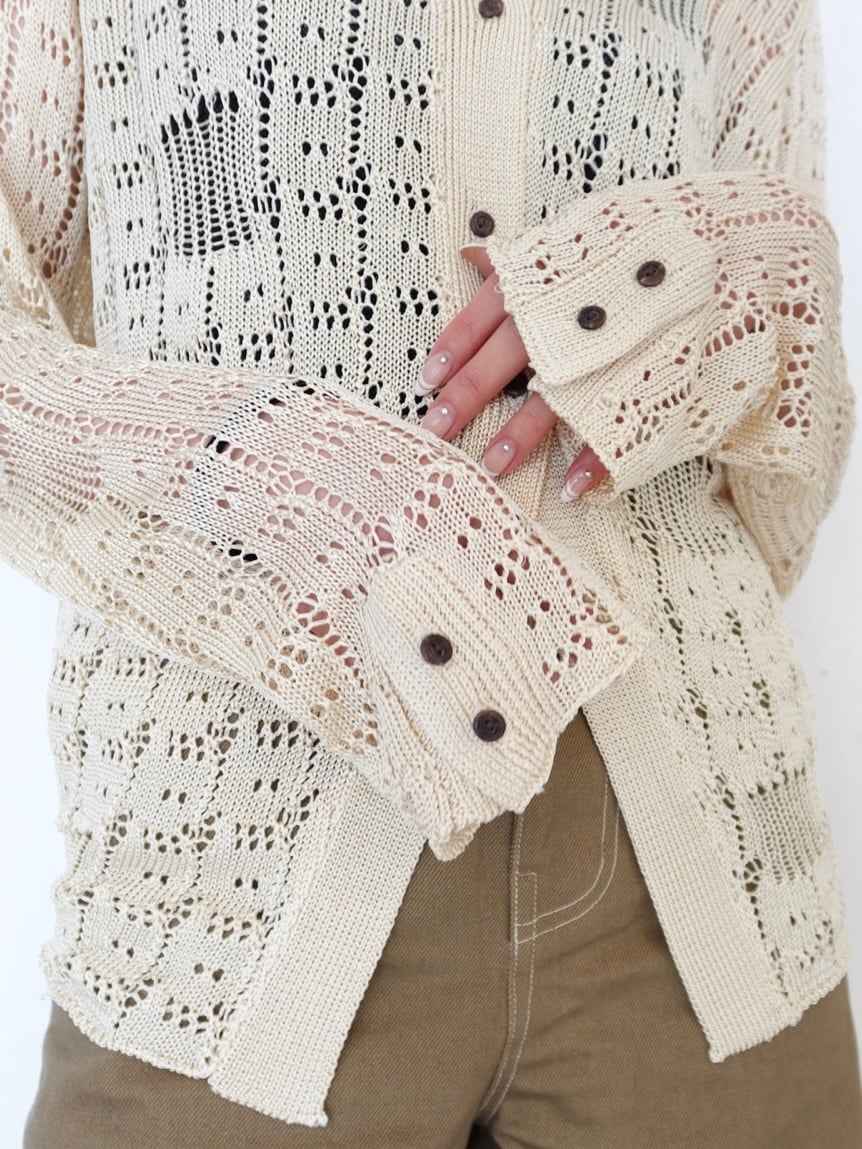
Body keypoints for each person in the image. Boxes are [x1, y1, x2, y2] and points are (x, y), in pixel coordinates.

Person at [2, 0, 861, 1144]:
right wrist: (281, 479)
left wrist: (735, 264)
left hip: (697, 876)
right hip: (229, 890)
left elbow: (783, 488)